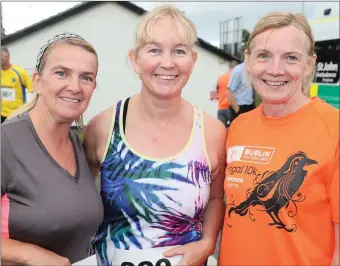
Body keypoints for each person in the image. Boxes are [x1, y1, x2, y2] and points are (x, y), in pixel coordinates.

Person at [84, 5, 226, 266]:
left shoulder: (212, 132)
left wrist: (207, 244)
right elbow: (78, 202)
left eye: (179, 51)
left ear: (193, 61)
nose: (168, 63)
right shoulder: (103, 128)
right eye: (154, 50)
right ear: (135, 59)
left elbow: (217, 198)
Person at [219, 12, 339, 265]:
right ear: (248, 61)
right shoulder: (238, 127)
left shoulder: (334, 129)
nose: (275, 70)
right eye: (264, 55)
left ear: (308, 65)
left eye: (291, 58)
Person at [1, 33, 104, 265]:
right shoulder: (6, 141)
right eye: (61, 73)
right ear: (37, 81)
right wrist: (30, 254)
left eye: (86, 77)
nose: (75, 87)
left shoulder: (81, 143)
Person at [1, 47, 34, 123]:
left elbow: (31, 91)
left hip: (16, 114)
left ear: (7, 57)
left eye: (1, 56)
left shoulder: (20, 72)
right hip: (2, 114)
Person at [227, 51, 256, 120]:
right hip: (240, 108)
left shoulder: (252, 70)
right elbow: (229, 92)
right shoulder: (238, 70)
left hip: (250, 107)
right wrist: (238, 111)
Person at [216, 60, 238, 128]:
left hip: (221, 108)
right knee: (233, 131)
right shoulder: (235, 79)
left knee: (221, 131)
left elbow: (217, 91)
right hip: (231, 109)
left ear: (229, 68)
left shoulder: (220, 78)